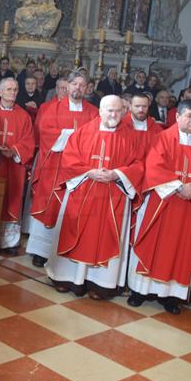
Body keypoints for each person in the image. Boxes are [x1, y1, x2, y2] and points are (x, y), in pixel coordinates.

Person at [46, 96, 144, 299]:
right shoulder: (83, 132)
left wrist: (117, 174)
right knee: (75, 233)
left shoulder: (131, 137)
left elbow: (138, 164)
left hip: (113, 195)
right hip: (83, 191)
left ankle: (100, 284)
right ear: (100, 111)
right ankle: (66, 278)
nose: (113, 115)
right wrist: (89, 172)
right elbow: (69, 159)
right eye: (109, 110)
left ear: (123, 112)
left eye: (117, 111)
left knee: (106, 237)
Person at [128, 99, 191, 315]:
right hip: (163, 204)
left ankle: (173, 296)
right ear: (178, 116)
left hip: (190, 207)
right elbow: (154, 167)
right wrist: (178, 187)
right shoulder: (162, 138)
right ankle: (140, 291)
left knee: (181, 250)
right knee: (153, 245)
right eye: (189, 116)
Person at [26, 72, 98, 267]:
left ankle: (69, 248)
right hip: (55, 166)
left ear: (87, 88)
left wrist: (74, 138)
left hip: (80, 169)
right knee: (50, 204)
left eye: (82, 85)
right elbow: (45, 133)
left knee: (73, 209)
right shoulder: (52, 109)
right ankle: (41, 250)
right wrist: (73, 136)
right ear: (68, 86)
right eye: (74, 84)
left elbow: (97, 138)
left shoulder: (93, 112)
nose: (77, 88)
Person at [0, 78, 35, 253]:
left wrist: (13, 150)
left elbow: (29, 141)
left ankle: (9, 242)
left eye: (15, 89)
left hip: (14, 166)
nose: (12, 93)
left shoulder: (23, 116)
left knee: (12, 199)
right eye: (8, 89)